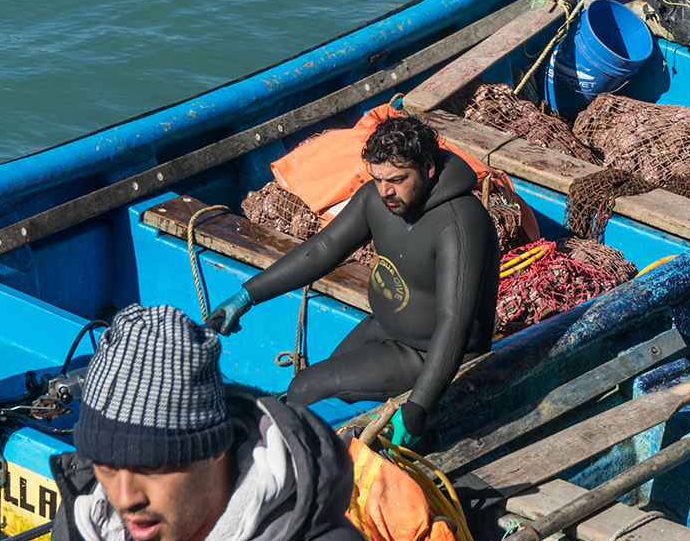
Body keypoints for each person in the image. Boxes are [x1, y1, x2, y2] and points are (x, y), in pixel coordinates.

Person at [37, 304, 391, 541]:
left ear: (214, 449)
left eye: (154, 467)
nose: (125, 498)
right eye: (107, 466)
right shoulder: (85, 518)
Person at [205, 113, 500, 450]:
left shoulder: (459, 224)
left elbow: (454, 323)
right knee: (313, 389)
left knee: (305, 388)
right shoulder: (378, 199)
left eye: (397, 179)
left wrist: (418, 408)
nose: (386, 191)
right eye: (377, 179)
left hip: (430, 351)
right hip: (383, 327)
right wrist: (247, 296)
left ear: (429, 169)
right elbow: (323, 249)